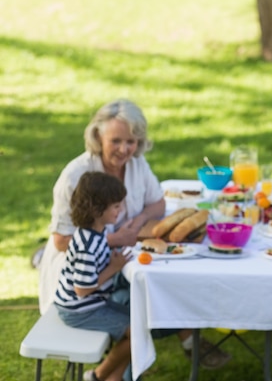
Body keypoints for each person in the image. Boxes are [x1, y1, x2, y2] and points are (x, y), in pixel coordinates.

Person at [38, 99, 230, 371]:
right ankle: (158, 351)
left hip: (120, 256)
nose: (124, 149)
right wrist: (116, 239)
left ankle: (184, 340)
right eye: (116, 141)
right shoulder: (76, 175)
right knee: (146, 304)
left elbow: (158, 203)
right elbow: (61, 241)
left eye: (131, 141)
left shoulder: (137, 164)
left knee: (168, 279)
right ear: (98, 137)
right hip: (82, 272)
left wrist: (138, 221)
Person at [54, 171, 133, 381]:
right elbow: (82, 289)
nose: (120, 210)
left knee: (139, 324)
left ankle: (113, 378)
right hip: (80, 311)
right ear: (97, 210)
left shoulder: (95, 234)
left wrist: (111, 260)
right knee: (136, 335)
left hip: (91, 304)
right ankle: (97, 376)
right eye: (115, 206)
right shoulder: (87, 245)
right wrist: (114, 267)